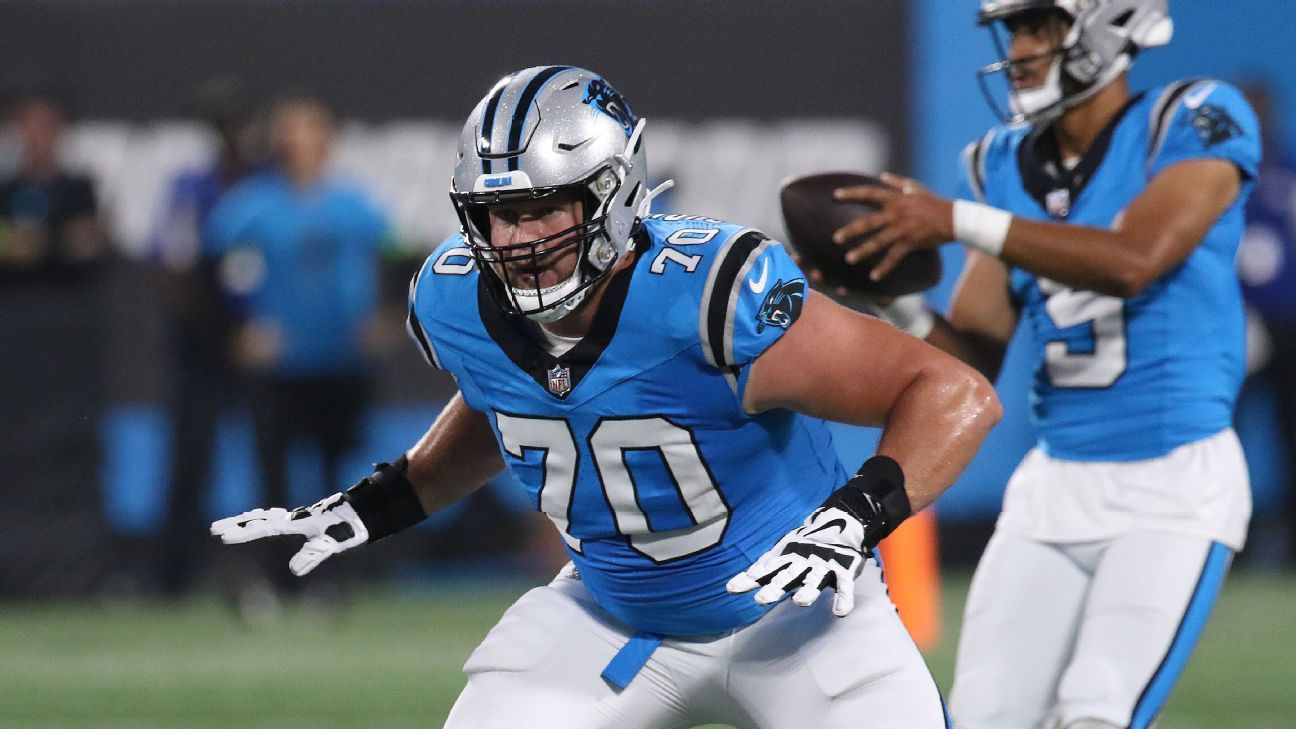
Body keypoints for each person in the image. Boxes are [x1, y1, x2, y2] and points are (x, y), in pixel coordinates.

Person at [212, 65, 1001, 728]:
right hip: (614, 616)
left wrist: (857, 515)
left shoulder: (709, 296)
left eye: (538, 210)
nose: (515, 242)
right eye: (495, 215)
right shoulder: (456, 298)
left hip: (801, 615)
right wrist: (390, 498)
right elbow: (509, 404)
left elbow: (950, 390)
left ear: (612, 194)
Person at [827, 2, 1260, 727]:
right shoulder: (1005, 163)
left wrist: (955, 220)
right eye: (1016, 30)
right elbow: (970, 360)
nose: (1021, 48)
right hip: (1053, 485)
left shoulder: (1189, 121)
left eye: (1040, 27)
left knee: (1096, 708)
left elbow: (1132, 260)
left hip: (1173, 482)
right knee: (985, 713)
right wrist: (891, 300)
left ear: (1109, 25)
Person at [206, 96, 390, 603]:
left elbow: (393, 256)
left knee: (339, 476)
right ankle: (274, 577)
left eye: (311, 132)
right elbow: (223, 272)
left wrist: (383, 316)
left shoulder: (355, 204)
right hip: (280, 367)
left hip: (338, 363)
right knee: (274, 473)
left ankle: (331, 581)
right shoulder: (251, 206)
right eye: (292, 133)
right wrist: (242, 328)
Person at [149, 77, 261, 597]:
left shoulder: (266, 187)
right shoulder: (193, 188)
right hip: (204, 342)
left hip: (263, 340)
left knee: (274, 455)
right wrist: (222, 334)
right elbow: (176, 269)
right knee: (191, 454)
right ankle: (173, 575)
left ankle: (283, 565)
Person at [0, 85, 114, 596]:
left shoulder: (80, 186)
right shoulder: (7, 187)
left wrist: (41, 246)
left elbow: (90, 244)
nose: (38, 134)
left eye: (48, 123)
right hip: (13, 346)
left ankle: (78, 572)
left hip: (66, 349)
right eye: (28, 122)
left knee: (73, 451)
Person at [1234, 82, 1296, 567]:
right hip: (1232, 320)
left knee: (1289, 432)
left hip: (1287, 320)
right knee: (1218, 433)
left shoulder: (1287, 170)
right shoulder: (1216, 174)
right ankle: (1221, 541)